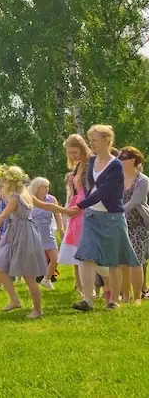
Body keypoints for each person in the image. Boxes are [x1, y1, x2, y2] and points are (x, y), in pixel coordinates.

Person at [66, 124, 140, 312]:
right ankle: (88, 299)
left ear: (107, 141)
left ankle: (113, 300)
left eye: (94, 140)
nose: (92, 144)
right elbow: (91, 188)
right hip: (91, 216)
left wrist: (79, 206)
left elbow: (104, 191)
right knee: (84, 256)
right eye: (90, 140)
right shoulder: (91, 162)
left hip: (112, 217)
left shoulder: (115, 165)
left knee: (114, 260)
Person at [0, 169, 51, 319]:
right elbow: (47, 206)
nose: (1, 184)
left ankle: (38, 310)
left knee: (28, 275)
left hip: (22, 235)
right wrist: (67, 211)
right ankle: (14, 300)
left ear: (10, 182)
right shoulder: (25, 195)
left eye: (4, 180)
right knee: (0, 265)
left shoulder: (16, 198)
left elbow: (3, 216)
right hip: (16, 233)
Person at [59, 134, 93, 291]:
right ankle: (80, 284)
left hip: (87, 205)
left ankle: (90, 284)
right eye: (70, 153)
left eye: (74, 152)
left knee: (85, 243)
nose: (72, 155)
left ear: (82, 148)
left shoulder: (90, 164)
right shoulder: (77, 167)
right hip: (76, 206)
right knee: (75, 245)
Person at [118, 146, 149, 303]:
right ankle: (125, 296)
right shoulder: (117, 179)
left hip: (139, 225)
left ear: (132, 160)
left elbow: (134, 201)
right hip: (121, 224)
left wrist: (117, 212)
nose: (118, 160)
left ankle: (137, 297)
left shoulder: (143, 180)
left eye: (122, 158)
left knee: (135, 259)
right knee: (123, 261)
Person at [28, 176, 64, 290]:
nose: (47, 189)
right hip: (34, 232)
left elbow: (58, 215)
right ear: (37, 188)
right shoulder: (30, 199)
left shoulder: (52, 199)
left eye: (48, 187)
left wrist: (61, 229)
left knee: (55, 258)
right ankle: (32, 284)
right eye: (44, 187)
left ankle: (46, 279)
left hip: (47, 232)